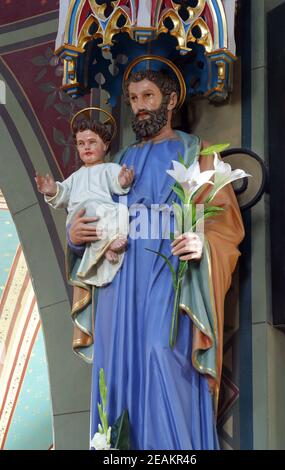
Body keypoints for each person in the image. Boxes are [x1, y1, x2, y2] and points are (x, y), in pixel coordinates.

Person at [67, 60, 244, 449]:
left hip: (169, 275)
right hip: (118, 281)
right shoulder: (115, 164)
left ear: (172, 98)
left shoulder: (197, 154)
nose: (140, 106)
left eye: (148, 95)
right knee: (114, 372)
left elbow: (226, 228)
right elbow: (85, 214)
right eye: (133, 98)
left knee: (160, 356)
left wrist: (204, 244)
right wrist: (77, 237)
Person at [35, 119, 134, 287]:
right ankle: (106, 247)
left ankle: (106, 248)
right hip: (81, 214)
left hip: (102, 213)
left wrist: (123, 181)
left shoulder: (109, 168)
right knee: (93, 208)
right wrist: (52, 190)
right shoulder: (75, 176)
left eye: (92, 142)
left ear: (105, 145)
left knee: (121, 211)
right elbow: (62, 194)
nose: (86, 147)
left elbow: (117, 184)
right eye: (81, 144)